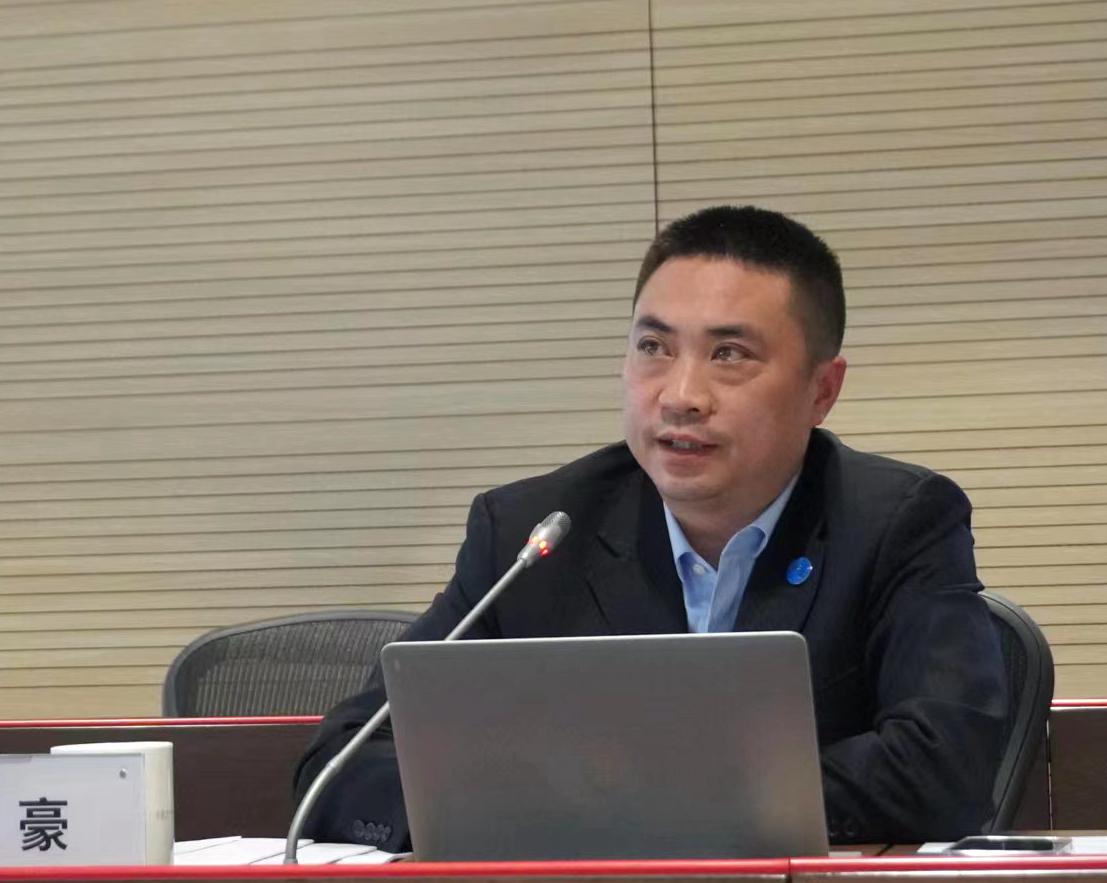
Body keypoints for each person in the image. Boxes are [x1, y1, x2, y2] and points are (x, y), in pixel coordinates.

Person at [294, 205, 1009, 849]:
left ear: (821, 390)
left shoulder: (895, 522)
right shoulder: (531, 533)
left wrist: (637, 799)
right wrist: (540, 810)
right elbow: (340, 763)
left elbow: (944, 769)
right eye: (654, 348)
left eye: (729, 354)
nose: (681, 395)